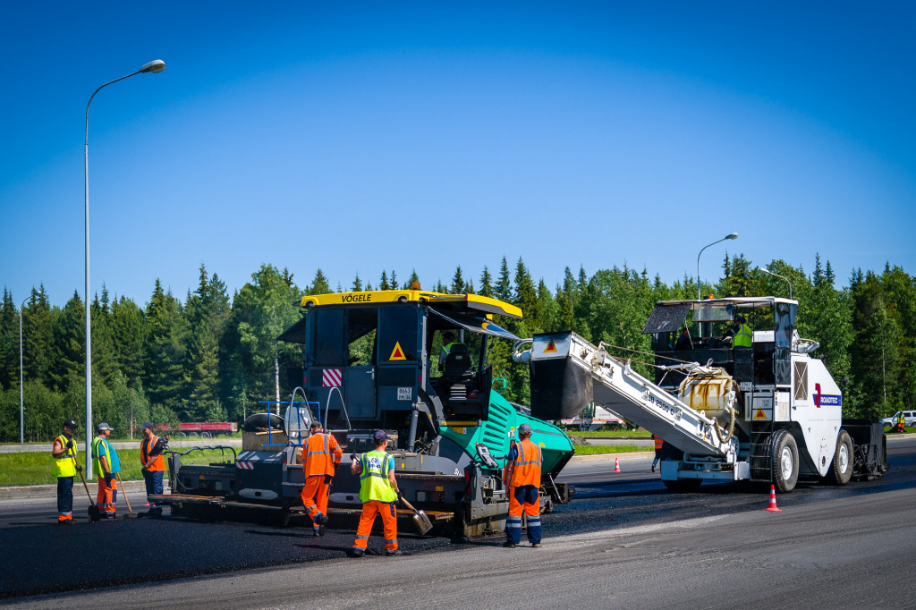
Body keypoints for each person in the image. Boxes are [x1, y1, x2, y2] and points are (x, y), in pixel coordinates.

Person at [350, 430, 400, 557]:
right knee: (389, 522)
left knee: (365, 521)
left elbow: (354, 471)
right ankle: (391, 549)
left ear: (373, 442)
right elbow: (392, 479)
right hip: (385, 497)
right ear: (385, 442)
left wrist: (354, 462)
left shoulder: (365, 457)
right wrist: (397, 492)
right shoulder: (389, 458)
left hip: (369, 495)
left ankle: (359, 548)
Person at [502, 423, 543, 548]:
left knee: (514, 514)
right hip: (533, 485)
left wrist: (507, 487)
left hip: (518, 485)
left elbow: (509, 469)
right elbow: (540, 467)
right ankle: (535, 541)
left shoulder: (516, 447)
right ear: (530, 434)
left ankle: (512, 542)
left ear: (520, 434)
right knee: (533, 514)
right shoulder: (538, 448)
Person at [301, 421, 343, 536]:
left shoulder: (306, 441)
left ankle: (317, 516)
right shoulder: (329, 437)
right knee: (322, 501)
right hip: (327, 474)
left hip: (312, 473)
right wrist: (336, 463)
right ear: (322, 429)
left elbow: (304, 461)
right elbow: (339, 451)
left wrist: (305, 472)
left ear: (312, 430)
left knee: (306, 497)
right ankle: (318, 529)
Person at [52, 419, 80, 524]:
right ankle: (63, 518)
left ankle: (68, 516)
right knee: (64, 495)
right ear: (65, 428)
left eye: (73, 428)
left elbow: (73, 456)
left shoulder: (72, 441)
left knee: (68, 494)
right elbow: (55, 453)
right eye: (70, 427)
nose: (72, 430)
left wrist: (78, 466)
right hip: (63, 472)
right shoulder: (60, 440)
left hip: (70, 471)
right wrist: (65, 448)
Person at [92, 423, 121, 518]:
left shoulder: (96, 441)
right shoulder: (101, 442)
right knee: (111, 490)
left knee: (102, 491)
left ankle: (100, 509)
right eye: (108, 430)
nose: (110, 431)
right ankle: (110, 511)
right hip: (107, 472)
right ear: (104, 431)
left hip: (102, 472)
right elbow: (102, 457)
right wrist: (108, 471)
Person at [140, 422, 166, 510]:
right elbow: (142, 456)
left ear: (150, 429)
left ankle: (157, 505)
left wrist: (146, 466)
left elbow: (155, 456)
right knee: (149, 487)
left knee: (157, 487)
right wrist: (145, 466)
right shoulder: (143, 442)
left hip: (156, 468)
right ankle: (151, 504)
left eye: (144, 429)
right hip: (147, 468)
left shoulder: (157, 440)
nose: (143, 431)